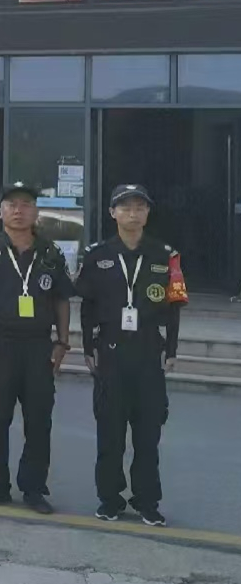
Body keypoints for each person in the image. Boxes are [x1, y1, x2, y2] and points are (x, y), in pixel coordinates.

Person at [75, 184, 187, 527]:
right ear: (113, 213)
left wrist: (171, 349)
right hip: (110, 353)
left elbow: (174, 308)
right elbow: (87, 306)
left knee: (148, 436)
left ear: (147, 213)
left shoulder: (165, 255)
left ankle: (147, 501)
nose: (133, 214)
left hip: (149, 353)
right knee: (110, 434)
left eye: (139, 207)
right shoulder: (96, 255)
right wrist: (88, 348)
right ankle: (110, 499)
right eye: (125, 208)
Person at [0, 181, 75, 515]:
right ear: (1, 212)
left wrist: (62, 341)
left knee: (38, 421)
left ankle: (34, 488)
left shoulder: (51, 253)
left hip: (38, 346)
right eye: (11, 205)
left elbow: (62, 299)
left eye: (25, 204)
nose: (18, 210)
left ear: (35, 212)